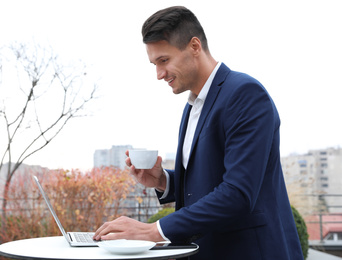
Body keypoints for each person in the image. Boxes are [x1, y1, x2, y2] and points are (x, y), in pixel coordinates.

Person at [94, 6, 304, 259]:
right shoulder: (192, 106)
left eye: (164, 60)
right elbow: (210, 180)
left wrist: (153, 231)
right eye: (154, 64)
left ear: (194, 46)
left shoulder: (245, 94)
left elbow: (237, 193)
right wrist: (164, 181)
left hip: (248, 252)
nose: (159, 74)